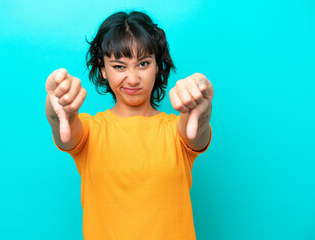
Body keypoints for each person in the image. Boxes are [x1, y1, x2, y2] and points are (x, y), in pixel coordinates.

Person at [45, 11, 213, 240]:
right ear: (102, 68)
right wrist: (57, 105)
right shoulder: (90, 131)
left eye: (143, 64)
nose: (133, 79)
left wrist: (201, 105)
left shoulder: (177, 131)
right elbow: (65, 129)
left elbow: (196, 131)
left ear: (157, 66)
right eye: (119, 66)